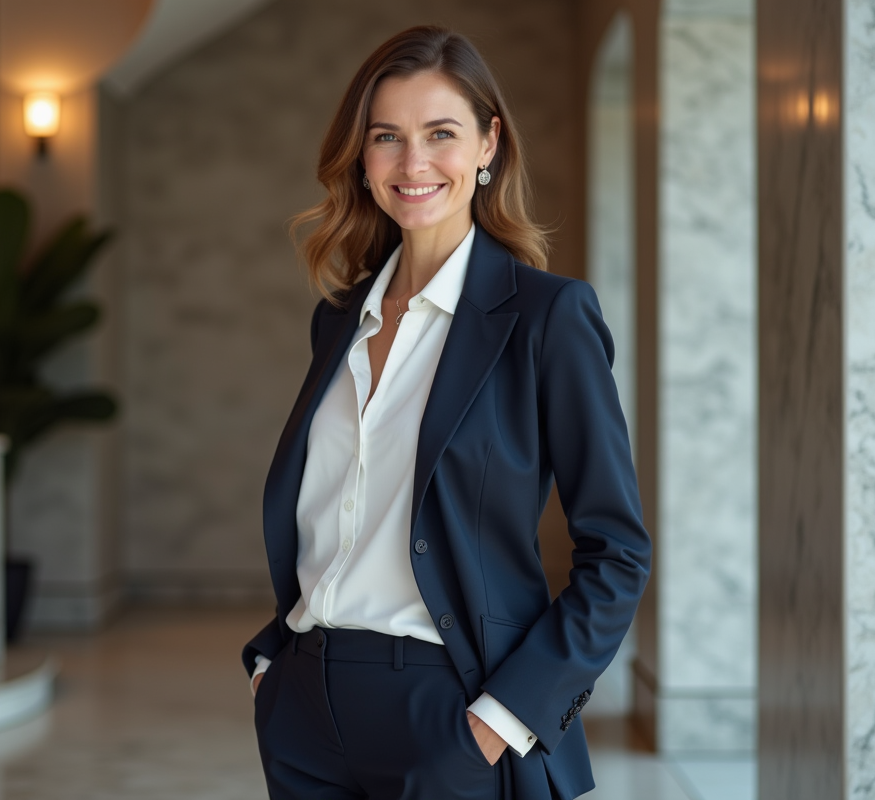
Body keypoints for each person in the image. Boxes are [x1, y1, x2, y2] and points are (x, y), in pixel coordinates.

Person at [242, 25, 651, 800]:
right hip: (303, 710)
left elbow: (618, 553)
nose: (413, 162)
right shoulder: (340, 319)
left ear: (489, 145)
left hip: (450, 712)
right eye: (386, 137)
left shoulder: (547, 317)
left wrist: (500, 721)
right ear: (361, 161)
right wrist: (271, 669)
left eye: (441, 134)